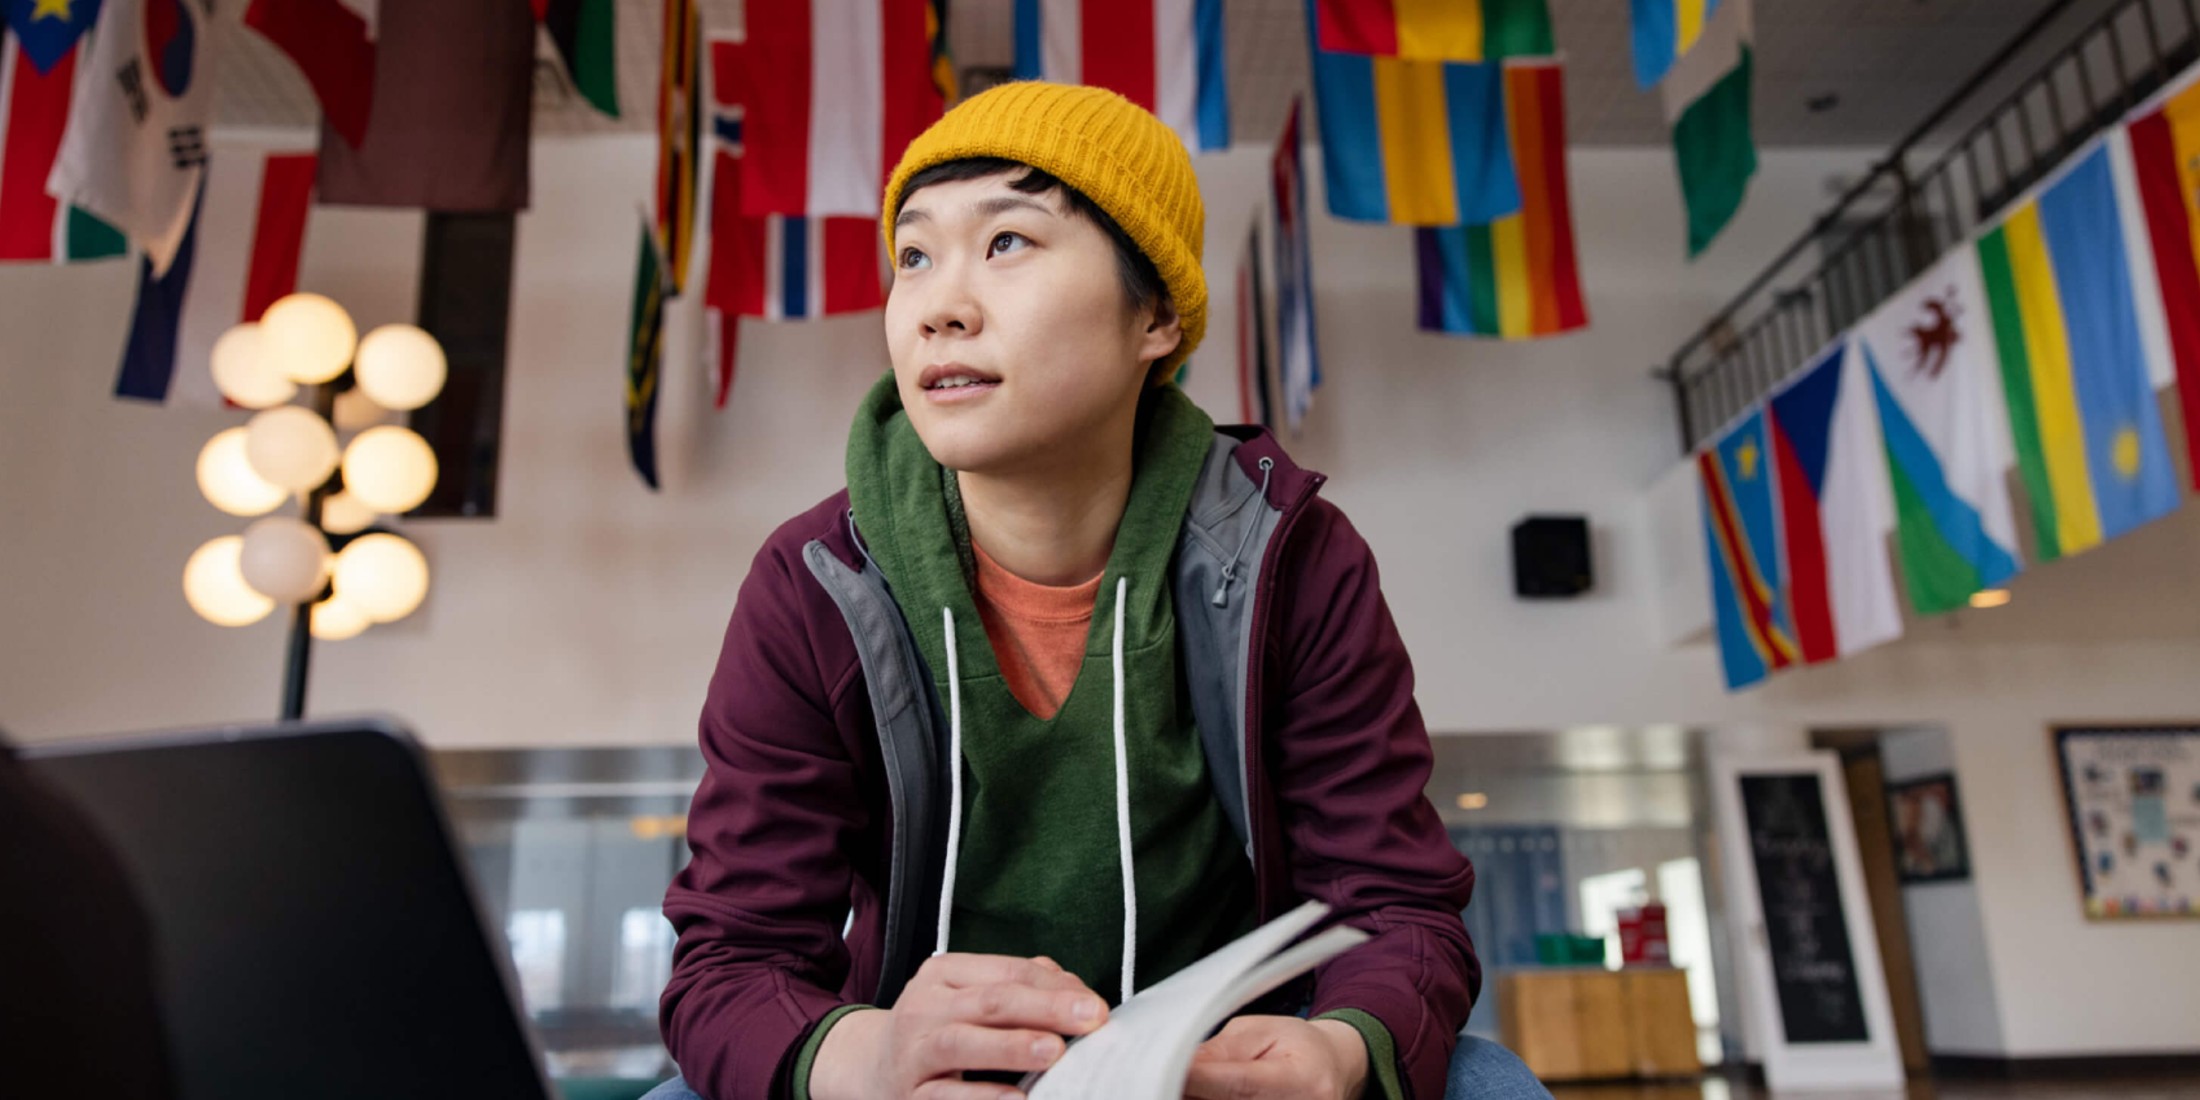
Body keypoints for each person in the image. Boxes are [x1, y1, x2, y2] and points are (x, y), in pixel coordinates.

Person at [650, 82, 1548, 1100]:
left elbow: (1394, 904)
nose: (940, 303)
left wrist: (1339, 1048)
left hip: (1213, 1073)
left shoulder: (1293, 558)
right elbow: (731, 955)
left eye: (1008, 243)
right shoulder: (816, 579)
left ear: (1155, 314)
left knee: (1484, 1079)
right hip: (924, 1078)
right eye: (913, 254)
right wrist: (866, 1058)